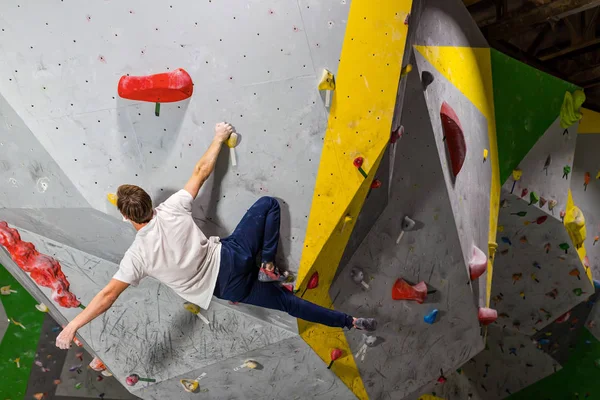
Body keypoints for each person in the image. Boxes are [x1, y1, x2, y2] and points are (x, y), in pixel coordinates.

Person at [55, 122, 377, 350]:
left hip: (226, 287)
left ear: (126, 217)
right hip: (232, 255)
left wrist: (72, 325)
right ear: (149, 205)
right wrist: (219, 136)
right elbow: (201, 173)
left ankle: (352, 322)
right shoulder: (172, 208)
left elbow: (108, 295)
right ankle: (267, 263)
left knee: (289, 304)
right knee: (267, 205)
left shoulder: (136, 257)